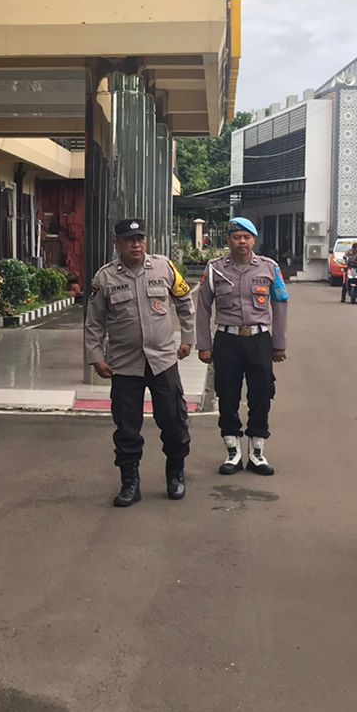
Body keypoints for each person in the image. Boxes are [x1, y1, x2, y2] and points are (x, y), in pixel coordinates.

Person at [84, 217, 195, 506]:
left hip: (163, 361)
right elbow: (94, 322)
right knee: (126, 428)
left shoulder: (164, 267)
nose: (136, 244)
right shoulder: (105, 278)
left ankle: (175, 473)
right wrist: (96, 357)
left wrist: (188, 338)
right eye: (129, 240)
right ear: (117, 243)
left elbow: (184, 301)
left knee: (174, 421)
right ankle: (130, 483)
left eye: (140, 239)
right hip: (124, 365)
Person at [194, 216, 289, 475]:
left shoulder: (269, 267)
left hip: (259, 340)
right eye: (236, 237)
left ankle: (257, 452)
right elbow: (203, 308)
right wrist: (204, 344)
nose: (242, 242)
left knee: (262, 394)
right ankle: (233, 452)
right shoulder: (215, 269)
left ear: (253, 240)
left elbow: (280, 303)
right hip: (227, 341)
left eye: (246, 237)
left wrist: (279, 344)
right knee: (227, 395)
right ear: (229, 240)